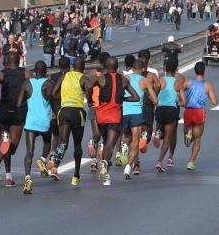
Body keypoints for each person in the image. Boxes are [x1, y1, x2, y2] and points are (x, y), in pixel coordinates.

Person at [87, 57, 139, 186]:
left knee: (105, 142)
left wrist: (90, 100)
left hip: (101, 115)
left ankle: (106, 170)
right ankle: (104, 164)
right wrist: (122, 99)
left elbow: (88, 86)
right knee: (110, 144)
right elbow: (136, 97)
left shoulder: (101, 78)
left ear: (106, 66)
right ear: (117, 67)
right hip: (115, 115)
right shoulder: (124, 80)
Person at [47, 57, 91, 185]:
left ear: (72, 66)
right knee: (77, 144)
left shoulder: (64, 76)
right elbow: (89, 89)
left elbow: (53, 93)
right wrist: (89, 98)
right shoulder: (83, 78)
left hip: (64, 111)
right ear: (83, 67)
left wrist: (64, 97)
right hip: (77, 112)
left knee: (63, 141)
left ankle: (55, 160)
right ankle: (76, 175)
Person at [0, 52, 30, 186]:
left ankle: (8, 176)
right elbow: (32, 89)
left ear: (7, 61)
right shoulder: (25, 73)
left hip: (4, 110)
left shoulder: (1, 74)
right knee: (12, 147)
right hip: (19, 110)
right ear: (19, 61)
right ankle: (0, 161)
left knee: (5, 141)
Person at [16, 61, 53, 194]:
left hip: (31, 121)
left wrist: (30, 104)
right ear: (45, 71)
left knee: (29, 152)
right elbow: (52, 100)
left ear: (34, 71)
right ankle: (42, 159)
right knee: (48, 142)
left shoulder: (27, 84)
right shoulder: (48, 84)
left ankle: (27, 178)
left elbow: (19, 104)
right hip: (44, 121)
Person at [121, 58, 158, 179]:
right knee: (135, 141)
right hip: (137, 114)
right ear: (143, 69)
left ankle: (123, 147)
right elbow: (155, 100)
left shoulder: (126, 78)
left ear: (132, 67)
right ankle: (128, 168)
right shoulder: (145, 81)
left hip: (125, 112)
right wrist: (147, 94)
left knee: (126, 137)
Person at [182, 62, 217, 170]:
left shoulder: (187, 82)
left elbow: (179, 92)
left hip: (188, 110)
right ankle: (191, 162)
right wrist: (215, 99)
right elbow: (214, 102)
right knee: (197, 139)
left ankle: (189, 134)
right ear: (204, 72)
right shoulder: (207, 85)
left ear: (194, 71)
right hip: (199, 112)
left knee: (187, 136)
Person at [155, 56, 186, 171]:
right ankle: (159, 161)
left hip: (160, 110)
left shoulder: (160, 80)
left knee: (161, 125)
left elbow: (154, 96)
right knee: (168, 138)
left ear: (165, 69)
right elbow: (184, 102)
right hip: (171, 111)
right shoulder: (178, 82)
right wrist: (176, 102)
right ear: (175, 69)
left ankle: (158, 132)